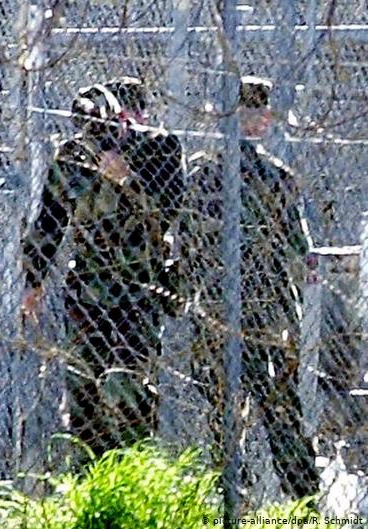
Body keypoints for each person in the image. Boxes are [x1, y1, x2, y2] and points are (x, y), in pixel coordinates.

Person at [21, 81, 185, 459]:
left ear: (132, 118)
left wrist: (126, 180)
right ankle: (87, 482)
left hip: (139, 288)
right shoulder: (74, 155)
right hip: (88, 289)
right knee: (84, 390)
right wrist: (33, 281)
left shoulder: (159, 148)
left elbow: (169, 212)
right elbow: (49, 220)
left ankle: (136, 469)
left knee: (128, 383)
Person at [183, 75, 319, 500]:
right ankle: (303, 499)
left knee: (224, 407)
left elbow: (186, 245)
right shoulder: (274, 177)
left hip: (220, 307)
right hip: (267, 311)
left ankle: (232, 497)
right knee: (278, 406)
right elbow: (301, 251)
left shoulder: (203, 173)